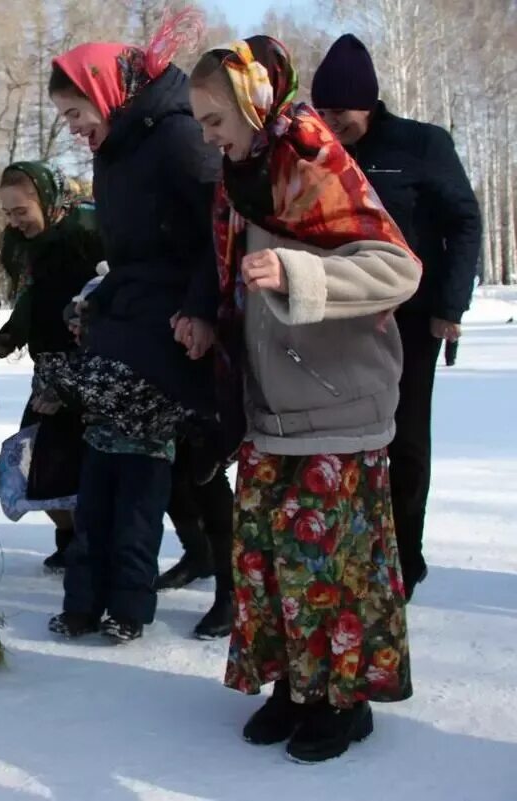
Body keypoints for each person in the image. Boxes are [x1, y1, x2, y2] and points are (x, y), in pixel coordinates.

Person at [186, 36, 418, 763]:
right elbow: (227, 268)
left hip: (338, 404)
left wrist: (297, 276)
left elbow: (397, 268)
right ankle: (294, 681)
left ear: (256, 103)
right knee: (271, 562)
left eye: (214, 120)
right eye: (199, 123)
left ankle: (342, 699)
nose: (208, 137)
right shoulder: (244, 174)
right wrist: (207, 320)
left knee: (331, 566)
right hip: (270, 406)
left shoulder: (315, 164)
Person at [37, 9, 226, 643]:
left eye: (74, 115)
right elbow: (132, 254)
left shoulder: (174, 137)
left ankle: (226, 582)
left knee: (188, 461)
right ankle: (98, 594)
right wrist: (95, 298)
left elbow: (215, 232)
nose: (74, 130)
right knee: (121, 463)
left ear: (103, 93)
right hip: (139, 310)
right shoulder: (116, 149)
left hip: (183, 319)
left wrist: (200, 308)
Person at [312, 34, 482, 599]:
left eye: (342, 111)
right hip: (342, 317)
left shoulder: (421, 145)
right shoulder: (320, 154)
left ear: (369, 102)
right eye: (324, 111)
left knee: (404, 437)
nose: (333, 122)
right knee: (349, 438)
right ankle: (358, 546)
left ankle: (405, 556)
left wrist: (449, 306)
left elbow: (463, 223)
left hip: (410, 317)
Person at [0, 161, 101, 571]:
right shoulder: (27, 244)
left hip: (87, 369)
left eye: (21, 211)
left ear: (47, 198)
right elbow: (33, 297)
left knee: (78, 464)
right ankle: (68, 538)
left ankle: (88, 543)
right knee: (36, 461)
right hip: (47, 368)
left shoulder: (86, 235)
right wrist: (14, 333)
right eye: (8, 213)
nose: (15, 222)